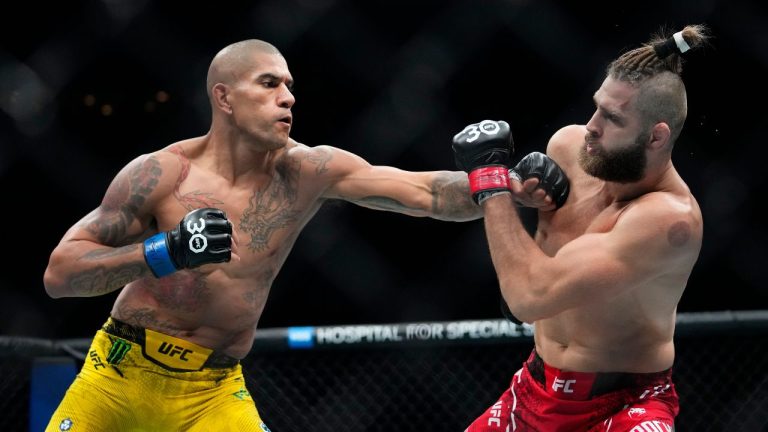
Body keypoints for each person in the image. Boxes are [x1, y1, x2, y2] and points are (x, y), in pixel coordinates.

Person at [42, 39, 568, 431]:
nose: (288, 97)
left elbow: (425, 192)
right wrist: (167, 251)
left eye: (290, 85)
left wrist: (501, 182)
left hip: (211, 391)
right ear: (224, 98)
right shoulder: (159, 175)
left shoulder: (307, 171)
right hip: (118, 373)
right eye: (269, 84)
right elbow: (61, 275)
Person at [453, 25, 708, 431]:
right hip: (534, 389)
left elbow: (528, 297)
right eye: (596, 107)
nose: (591, 126)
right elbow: (534, 277)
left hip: (625, 405)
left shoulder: (669, 219)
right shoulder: (570, 149)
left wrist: (489, 180)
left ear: (656, 136)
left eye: (612, 118)